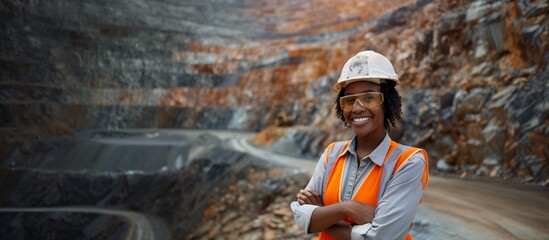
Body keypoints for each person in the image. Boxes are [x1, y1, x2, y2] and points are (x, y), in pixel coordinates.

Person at [290, 50, 429, 240]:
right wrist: (346, 208)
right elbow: (300, 215)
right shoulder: (332, 154)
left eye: (369, 98)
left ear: (387, 102)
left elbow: (382, 237)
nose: (357, 108)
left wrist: (323, 215)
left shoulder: (408, 162)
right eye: (349, 100)